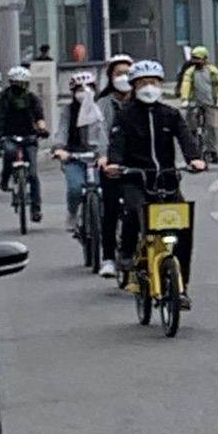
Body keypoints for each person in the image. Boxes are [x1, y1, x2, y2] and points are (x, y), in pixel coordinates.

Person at [104, 59, 208, 304]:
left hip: (167, 180)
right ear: (134, 86)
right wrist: (115, 164)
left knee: (183, 229)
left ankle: (181, 288)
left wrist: (194, 159)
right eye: (143, 83)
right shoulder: (125, 116)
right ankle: (126, 253)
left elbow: (185, 138)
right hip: (135, 179)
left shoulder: (170, 114)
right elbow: (116, 144)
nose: (149, 87)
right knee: (133, 211)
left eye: (153, 82)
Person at [51, 70, 108, 236]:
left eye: (89, 88)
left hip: (98, 158)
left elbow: (105, 134)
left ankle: (103, 222)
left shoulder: (100, 109)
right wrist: (59, 149)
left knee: (102, 190)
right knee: (75, 189)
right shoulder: (68, 111)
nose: (85, 92)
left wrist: (104, 154)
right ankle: (73, 213)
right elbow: (62, 131)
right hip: (74, 157)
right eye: (80, 89)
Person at [94, 54, 135, 276]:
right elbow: (100, 132)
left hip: (139, 164)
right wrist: (103, 156)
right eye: (118, 74)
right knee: (111, 209)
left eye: (127, 73)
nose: (123, 78)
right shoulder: (103, 103)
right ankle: (108, 257)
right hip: (112, 165)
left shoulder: (141, 102)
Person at [0, 65, 49, 222]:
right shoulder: (4, 99)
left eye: (22, 83)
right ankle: (5, 178)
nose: (19, 86)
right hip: (9, 135)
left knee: (32, 174)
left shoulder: (32, 98)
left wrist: (42, 129)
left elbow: (39, 116)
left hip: (29, 136)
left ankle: (36, 208)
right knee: (9, 152)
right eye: (16, 83)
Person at [176, 45, 218, 163]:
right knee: (190, 126)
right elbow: (186, 84)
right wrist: (185, 99)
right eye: (194, 58)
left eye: (198, 58)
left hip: (210, 103)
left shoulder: (213, 71)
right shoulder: (190, 72)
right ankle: (193, 149)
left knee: (212, 127)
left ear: (205, 59)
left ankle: (212, 151)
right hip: (194, 103)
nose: (196, 61)